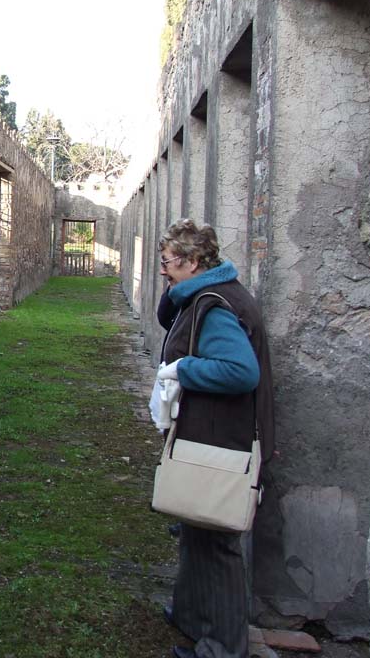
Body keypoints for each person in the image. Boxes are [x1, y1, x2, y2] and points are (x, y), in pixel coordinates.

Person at [154, 219, 274, 658]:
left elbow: (241, 371)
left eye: (167, 262)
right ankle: (190, 616)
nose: (162, 269)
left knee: (217, 543)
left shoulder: (218, 306)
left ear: (192, 262)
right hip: (209, 435)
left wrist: (183, 369)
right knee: (195, 529)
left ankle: (222, 648)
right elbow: (169, 315)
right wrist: (175, 287)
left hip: (223, 441)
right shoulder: (205, 294)